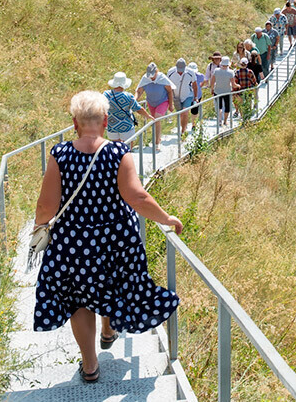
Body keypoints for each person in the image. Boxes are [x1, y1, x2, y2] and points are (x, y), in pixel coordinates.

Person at [33, 90, 182, 383]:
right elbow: (137, 197)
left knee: (78, 299)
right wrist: (166, 218)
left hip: (72, 242)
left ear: (75, 123)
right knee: (112, 283)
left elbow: (46, 206)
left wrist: (39, 226)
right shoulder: (118, 153)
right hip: (117, 239)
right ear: (104, 122)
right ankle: (109, 329)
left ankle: (90, 366)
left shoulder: (59, 155)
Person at [135, 63, 174, 146]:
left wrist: (171, 105)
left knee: (157, 118)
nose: (151, 77)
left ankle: (157, 142)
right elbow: (139, 91)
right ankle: (158, 137)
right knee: (154, 121)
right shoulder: (145, 78)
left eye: (153, 75)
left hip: (163, 101)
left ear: (157, 72)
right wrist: (134, 100)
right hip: (151, 102)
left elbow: (170, 91)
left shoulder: (162, 79)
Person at [104, 72, 143, 142]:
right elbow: (138, 108)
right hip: (126, 126)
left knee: (115, 148)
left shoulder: (106, 94)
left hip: (112, 125)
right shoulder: (129, 96)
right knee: (128, 147)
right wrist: (148, 115)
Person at [167, 58, 198, 137]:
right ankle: (184, 126)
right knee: (181, 114)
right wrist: (168, 99)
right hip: (176, 97)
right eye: (179, 70)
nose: (180, 72)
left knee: (185, 112)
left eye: (182, 70)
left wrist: (195, 97)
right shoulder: (170, 72)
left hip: (188, 95)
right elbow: (167, 86)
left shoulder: (190, 72)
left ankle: (183, 131)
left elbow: (194, 85)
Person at [210, 56, 236, 126]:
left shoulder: (216, 71)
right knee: (227, 107)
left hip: (217, 91)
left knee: (219, 107)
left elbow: (212, 82)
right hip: (227, 91)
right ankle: (225, 121)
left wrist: (212, 89)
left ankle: (219, 121)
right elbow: (233, 84)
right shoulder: (231, 72)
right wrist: (238, 86)